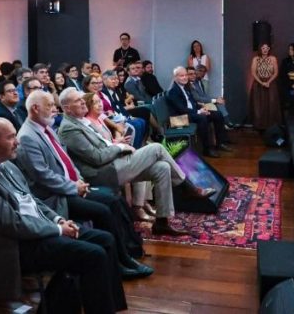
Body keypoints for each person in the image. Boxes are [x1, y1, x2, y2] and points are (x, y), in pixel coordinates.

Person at [0, 117, 127, 312]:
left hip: (35, 231)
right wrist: (57, 229)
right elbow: (12, 224)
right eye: (11, 137)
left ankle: (111, 305)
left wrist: (58, 219)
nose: (17, 141)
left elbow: (32, 200)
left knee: (105, 239)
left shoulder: (6, 165)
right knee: (93, 255)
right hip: (13, 246)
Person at [15, 91, 153, 279]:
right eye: (50, 105)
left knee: (114, 200)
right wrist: (73, 187)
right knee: (104, 208)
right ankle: (119, 264)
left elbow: (66, 162)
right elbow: (43, 176)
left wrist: (79, 180)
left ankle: (126, 255)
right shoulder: (28, 136)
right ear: (35, 108)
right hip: (55, 196)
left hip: (70, 186)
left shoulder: (46, 129)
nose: (54, 109)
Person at [56, 88, 213, 235]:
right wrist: (121, 147)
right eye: (78, 101)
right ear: (67, 108)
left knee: (162, 167)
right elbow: (97, 158)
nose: (83, 102)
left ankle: (162, 222)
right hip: (104, 172)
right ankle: (188, 188)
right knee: (157, 148)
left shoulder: (83, 122)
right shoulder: (69, 129)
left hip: (115, 163)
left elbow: (105, 145)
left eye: (82, 99)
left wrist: (118, 145)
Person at [165, 67, 231, 157]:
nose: (185, 77)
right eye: (181, 76)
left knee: (217, 114)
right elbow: (181, 109)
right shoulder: (172, 91)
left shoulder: (185, 87)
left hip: (188, 114)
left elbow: (192, 103)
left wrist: (202, 109)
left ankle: (220, 143)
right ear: (175, 77)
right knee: (202, 118)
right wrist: (199, 112)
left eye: (185, 75)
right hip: (177, 119)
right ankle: (206, 149)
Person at [247, 42, 280, 130]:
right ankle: (259, 126)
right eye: (263, 48)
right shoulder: (255, 59)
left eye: (267, 48)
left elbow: (276, 72)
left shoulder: (273, 58)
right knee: (258, 105)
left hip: (270, 83)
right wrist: (261, 83)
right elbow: (253, 73)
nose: (265, 50)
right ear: (260, 49)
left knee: (271, 104)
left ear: (269, 49)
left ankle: (271, 125)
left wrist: (268, 81)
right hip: (258, 84)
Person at [279, 43, 294, 114]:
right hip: (287, 88)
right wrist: (291, 85)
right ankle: (286, 123)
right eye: (289, 49)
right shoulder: (285, 61)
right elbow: (282, 76)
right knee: (287, 105)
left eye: (292, 49)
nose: (290, 51)